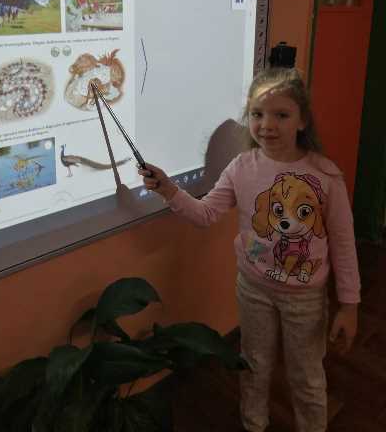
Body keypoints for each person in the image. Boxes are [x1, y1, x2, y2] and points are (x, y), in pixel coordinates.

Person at [139, 67, 360, 432]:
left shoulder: (325, 175)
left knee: (306, 377)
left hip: (305, 298)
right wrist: (168, 190)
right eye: (257, 114)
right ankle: (253, 424)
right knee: (253, 365)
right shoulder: (242, 167)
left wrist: (349, 306)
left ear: (302, 120)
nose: (267, 125)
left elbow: (343, 243)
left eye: (281, 115)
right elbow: (206, 213)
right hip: (253, 289)